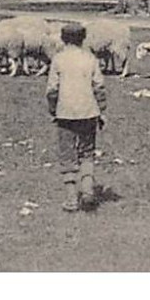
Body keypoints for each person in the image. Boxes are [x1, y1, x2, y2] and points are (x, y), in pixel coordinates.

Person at [46, 21, 107, 212]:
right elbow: (99, 87)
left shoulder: (58, 60)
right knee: (87, 151)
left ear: (63, 39)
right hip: (88, 112)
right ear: (83, 38)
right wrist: (102, 110)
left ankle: (71, 198)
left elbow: (52, 90)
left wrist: (53, 109)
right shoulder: (90, 59)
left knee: (67, 153)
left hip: (65, 113)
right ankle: (88, 190)